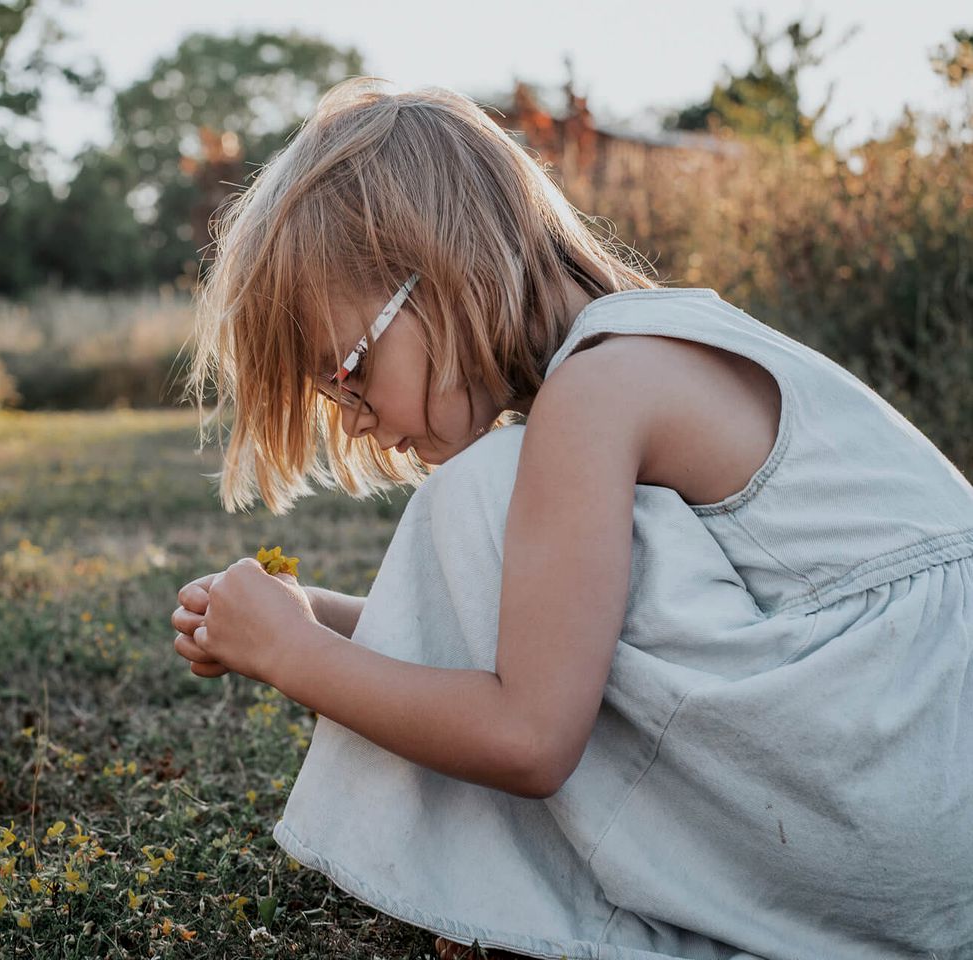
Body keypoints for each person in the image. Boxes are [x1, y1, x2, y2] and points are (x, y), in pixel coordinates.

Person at [168, 77, 973, 960]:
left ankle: (577, 916)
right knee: (509, 514)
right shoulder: (645, 350)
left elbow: (530, 736)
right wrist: (320, 617)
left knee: (481, 493)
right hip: (924, 794)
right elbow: (567, 643)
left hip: (903, 777)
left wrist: (295, 655)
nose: (353, 415)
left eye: (349, 367)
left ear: (442, 270)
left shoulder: (593, 396)